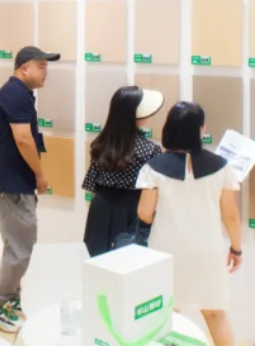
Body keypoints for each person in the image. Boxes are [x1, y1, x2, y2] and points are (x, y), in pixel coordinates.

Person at [136, 101, 243, 346]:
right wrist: (236, 248)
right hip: (207, 249)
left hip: (166, 249)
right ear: (200, 129)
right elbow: (231, 215)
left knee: (166, 312)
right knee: (214, 312)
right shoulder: (222, 167)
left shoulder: (153, 167)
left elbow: (144, 213)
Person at [0, 46, 60, 333]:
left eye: (46, 67)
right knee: (21, 250)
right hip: (11, 185)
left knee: (17, 246)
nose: (45, 72)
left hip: (12, 184)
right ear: (23, 68)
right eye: (41, 66)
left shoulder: (19, 94)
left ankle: (9, 300)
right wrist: (40, 175)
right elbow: (24, 139)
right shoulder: (15, 94)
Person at [82, 86, 165, 256]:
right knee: (128, 260)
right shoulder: (150, 150)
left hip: (101, 207)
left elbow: (91, 184)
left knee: (96, 258)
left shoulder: (100, 144)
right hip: (133, 209)